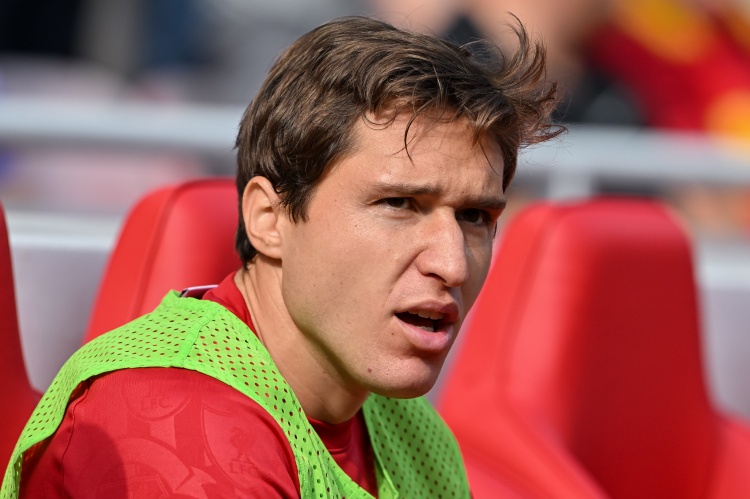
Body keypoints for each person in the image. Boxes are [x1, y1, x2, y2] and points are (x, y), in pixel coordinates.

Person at [2, 15, 559, 498]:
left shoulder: (411, 429)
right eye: (398, 204)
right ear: (268, 220)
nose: (453, 264)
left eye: (475, 216)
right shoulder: (177, 419)